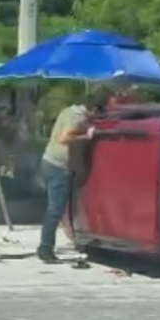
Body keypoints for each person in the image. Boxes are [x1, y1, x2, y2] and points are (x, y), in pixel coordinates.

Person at [38, 88, 110, 263]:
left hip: (49, 162)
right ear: (94, 109)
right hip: (59, 167)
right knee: (55, 210)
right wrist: (87, 135)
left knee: (58, 209)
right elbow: (64, 138)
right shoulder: (79, 118)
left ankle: (69, 240)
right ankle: (45, 249)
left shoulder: (69, 110)